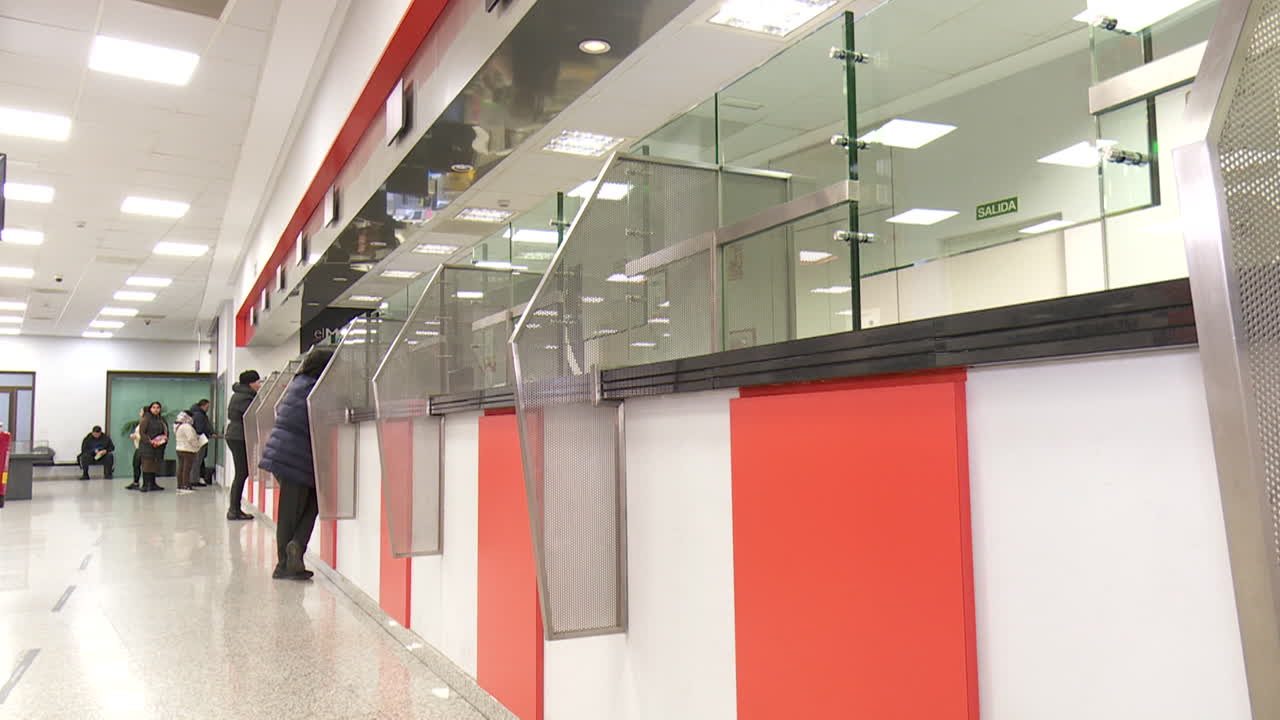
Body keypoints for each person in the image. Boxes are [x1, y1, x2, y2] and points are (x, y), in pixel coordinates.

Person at [259, 348, 333, 580]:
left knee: (308, 504)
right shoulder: (317, 388)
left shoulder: (298, 383)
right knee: (295, 511)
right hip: (296, 457)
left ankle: (295, 549)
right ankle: (288, 560)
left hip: (284, 453)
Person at [224, 370, 262, 521]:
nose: (259, 385)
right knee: (241, 473)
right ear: (251, 383)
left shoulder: (239, 395)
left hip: (236, 435)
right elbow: (252, 416)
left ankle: (235, 509)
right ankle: (234, 510)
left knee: (241, 473)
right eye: (258, 382)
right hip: (240, 437)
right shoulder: (246, 397)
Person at [137, 401, 169, 493]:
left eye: (158, 407)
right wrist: (150, 441)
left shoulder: (162, 420)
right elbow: (142, 433)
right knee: (147, 465)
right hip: (147, 447)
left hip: (159, 447)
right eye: (154, 407)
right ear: (150, 409)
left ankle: (153, 483)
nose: (156, 409)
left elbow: (166, 431)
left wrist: (164, 439)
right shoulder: (146, 419)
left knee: (155, 465)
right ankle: (145, 485)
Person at [187, 399, 215, 488]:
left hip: (198, 439)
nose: (208, 409)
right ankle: (194, 480)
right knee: (197, 460)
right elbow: (200, 428)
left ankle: (194, 479)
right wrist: (208, 433)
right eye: (207, 407)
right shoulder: (199, 415)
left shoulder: (197, 414)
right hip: (200, 440)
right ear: (202, 406)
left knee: (198, 460)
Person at [174, 411, 201, 495]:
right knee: (187, 468)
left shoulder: (178, 426)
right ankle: (186, 485)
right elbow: (191, 438)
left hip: (179, 449)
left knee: (181, 467)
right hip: (188, 450)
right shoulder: (187, 426)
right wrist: (198, 445)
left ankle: (180, 485)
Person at [126, 406, 146, 490]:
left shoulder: (145, 422)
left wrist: (136, 436)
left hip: (142, 447)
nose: (140, 413)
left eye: (141, 411)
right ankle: (136, 482)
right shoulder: (141, 422)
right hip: (138, 447)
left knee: (140, 465)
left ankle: (140, 482)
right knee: (136, 465)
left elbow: (144, 436)